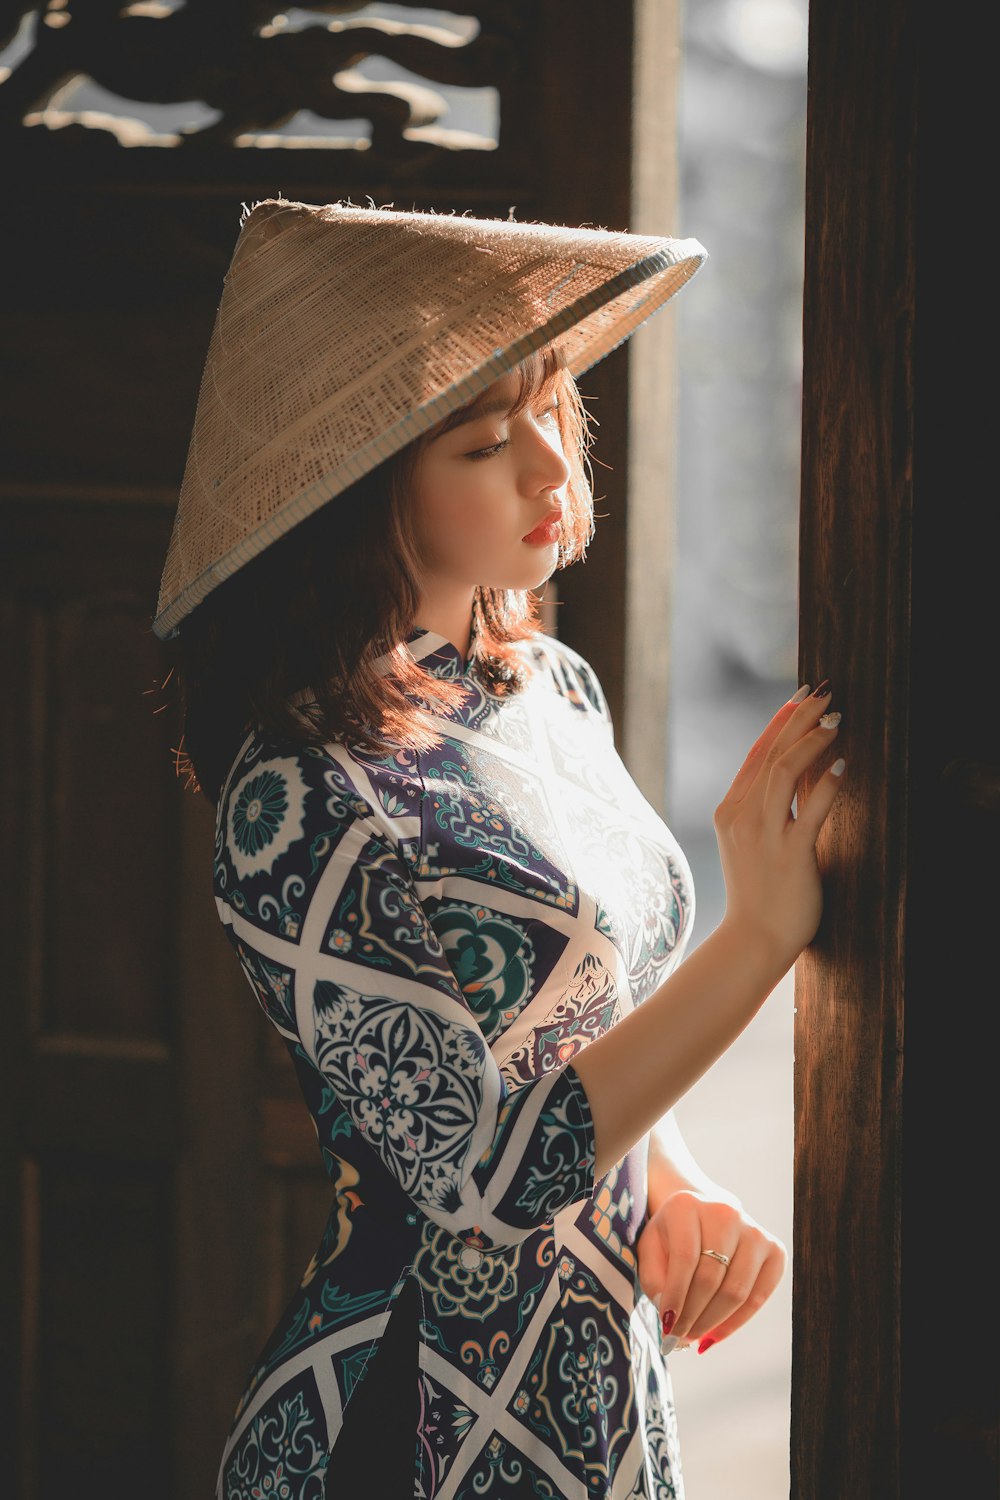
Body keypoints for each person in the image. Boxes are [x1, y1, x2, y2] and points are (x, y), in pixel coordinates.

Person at [153, 198, 845, 1500]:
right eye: (483, 441)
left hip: (601, 1394)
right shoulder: (299, 803)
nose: (549, 466)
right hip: (413, 1419)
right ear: (359, 486)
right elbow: (486, 1175)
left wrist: (674, 1182)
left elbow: (587, 1005)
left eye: (551, 407)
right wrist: (756, 939)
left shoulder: (541, 684)